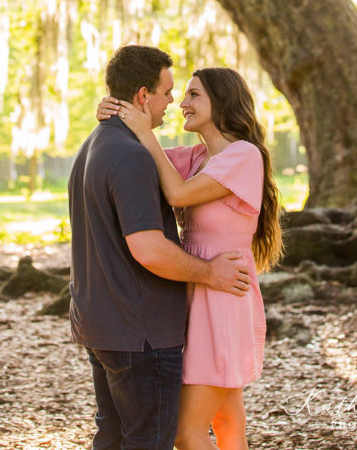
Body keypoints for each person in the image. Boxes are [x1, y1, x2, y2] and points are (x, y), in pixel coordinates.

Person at [68, 46, 251, 450]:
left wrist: (125, 121)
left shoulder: (96, 145)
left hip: (103, 322)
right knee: (150, 440)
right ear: (141, 96)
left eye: (187, 94)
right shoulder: (133, 155)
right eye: (168, 92)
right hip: (140, 331)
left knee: (116, 437)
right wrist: (208, 272)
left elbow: (171, 177)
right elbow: (149, 248)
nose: (175, 102)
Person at [98, 66, 282, 450]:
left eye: (194, 95)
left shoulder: (243, 155)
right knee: (227, 421)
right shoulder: (197, 156)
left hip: (223, 295)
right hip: (199, 289)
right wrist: (114, 120)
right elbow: (142, 161)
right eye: (182, 95)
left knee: (186, 433)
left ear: (223, 99)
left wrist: (145, 132)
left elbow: (178, 194)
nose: (182, 104)